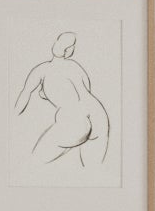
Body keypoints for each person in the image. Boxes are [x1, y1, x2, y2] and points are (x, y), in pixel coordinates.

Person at [13, 32, 112, 170]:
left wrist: (12, 117)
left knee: (33, 163)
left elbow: (25, 94)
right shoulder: (75, 66)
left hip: (74, 119)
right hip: (99, 115)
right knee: (94, 171)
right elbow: (86, 90)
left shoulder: (41, 70)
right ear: (69, 50)